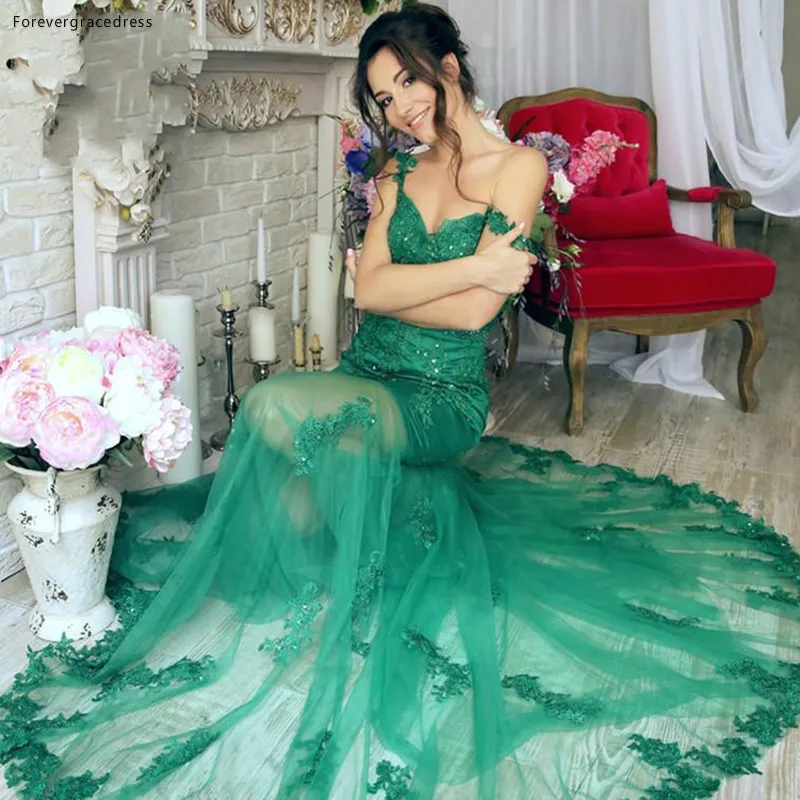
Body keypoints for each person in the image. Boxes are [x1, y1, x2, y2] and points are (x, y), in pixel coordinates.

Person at [3, 5, 799, 800]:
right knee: (294, 502)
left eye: (407, 83)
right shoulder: (394, 174)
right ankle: (377, 538)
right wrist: (477, 266)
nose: (400, 107)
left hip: (440, 393)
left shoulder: (519, 167)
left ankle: (367, 553)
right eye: (384, 98)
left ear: (447, 66)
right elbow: (373, 293)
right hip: (369, 369)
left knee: (274, 405)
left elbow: (471, 318)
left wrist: (439, 287)